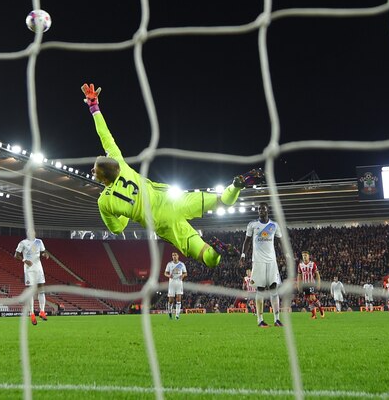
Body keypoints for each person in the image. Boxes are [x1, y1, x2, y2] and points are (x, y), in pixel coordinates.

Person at [81, 83, 263, 268]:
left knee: (206, 257)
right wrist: (94, 106)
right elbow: (105, 135)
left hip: (163, 221)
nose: (92, 171)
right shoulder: (119, 162)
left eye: (95, 170)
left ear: (104, 179)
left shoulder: (105, 202)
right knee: (222, 200)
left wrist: (127, 211)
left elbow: (118, 228)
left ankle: (216, 250)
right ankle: (235, 186)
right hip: (171, 198)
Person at [240, 202, 284, 327]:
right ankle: (260, 320)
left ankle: (277, 319)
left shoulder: (274, 225)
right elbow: (247, 241)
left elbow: (280, 241)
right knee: (260, 289)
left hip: (271, 261)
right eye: (259, 209)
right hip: (258, 261)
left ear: (267, 210)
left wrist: (286, 255)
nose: (261, 211)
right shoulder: (252, 225)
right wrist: (243, 255)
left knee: (274, 288)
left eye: (263, 209)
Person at [15, 230, 49, 325]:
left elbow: (42, 251)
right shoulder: (23, 243)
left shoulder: (39, 242)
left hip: (38, 268)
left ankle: (42, 311)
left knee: (41, 290)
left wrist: (45, 254)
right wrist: (24, 260)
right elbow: (16, 255)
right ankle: (32, 313)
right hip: (29, 269)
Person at [297, 250, 324, 319]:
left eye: (306, 255)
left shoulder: (313, 264)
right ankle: (314, 315)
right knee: (309, 300)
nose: (304, 257)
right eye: (303, 256)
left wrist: (318, 283)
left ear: (308, 256)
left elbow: (317, 274)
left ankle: (321, 310)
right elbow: (299, 276)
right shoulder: (300, 265)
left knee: (313, 298)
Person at [164, 252, 187, 320]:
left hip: (179, 283)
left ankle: (177, 315)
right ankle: (170, 311)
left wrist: (182, 275)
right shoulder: (169, 264)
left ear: (178, 256)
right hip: (172, 283)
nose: (174, 256)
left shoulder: (181, 264)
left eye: (175, 255)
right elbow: (165, 273)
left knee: (178, 298)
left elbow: (185, 273)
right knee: (171, 300)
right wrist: (169, 275)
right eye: (173, 255)